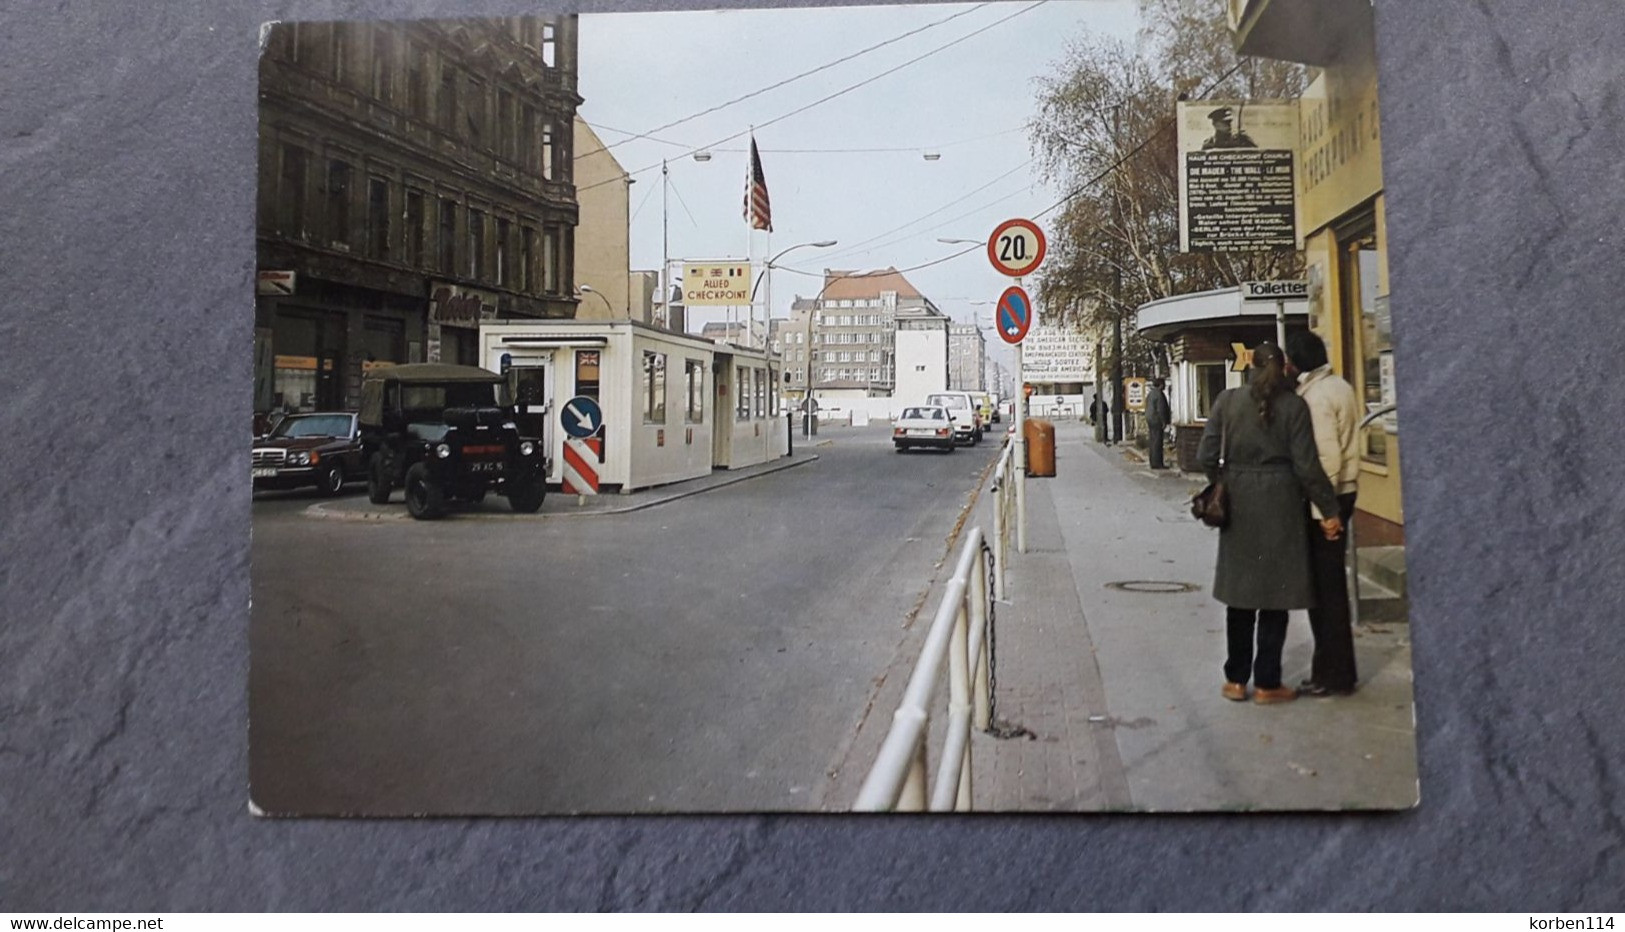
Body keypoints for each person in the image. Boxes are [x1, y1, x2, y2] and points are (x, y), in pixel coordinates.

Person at [1198, 342, 1342, 704]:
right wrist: (1329, 511)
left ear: (1250, 365)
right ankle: (1266, 683)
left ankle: (1234, 679)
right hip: (1282, 505)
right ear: (1284, 368)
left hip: (1239, 503)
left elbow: (1204, 454)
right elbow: (1308, 467)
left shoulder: (1227, 401)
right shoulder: (1294, 406)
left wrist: (1222, 481)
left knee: (1240, 596)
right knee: (1274, 599)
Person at [1285, 330, 1363, 697]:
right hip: (1347, 491)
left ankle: (1333, 675)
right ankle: (1334, 671)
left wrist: (1324, 512)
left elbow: (1325, 459)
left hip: (1327, 501)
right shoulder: (1341, 387)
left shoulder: (1315, 398)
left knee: (1325, 592)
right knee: (1331, 590)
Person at [1145, 378, 1171, 469]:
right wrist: (1164, 421)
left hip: (1150, 419)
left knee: (1152, 441)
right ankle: (1158, 463)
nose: (1164, 386)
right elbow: (1161, 409)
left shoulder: (1150, 394)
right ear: (1161, 384)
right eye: (1163, 384)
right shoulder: (1159, 395)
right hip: (1157, 420)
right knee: (1158, 442)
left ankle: (1152, 461)